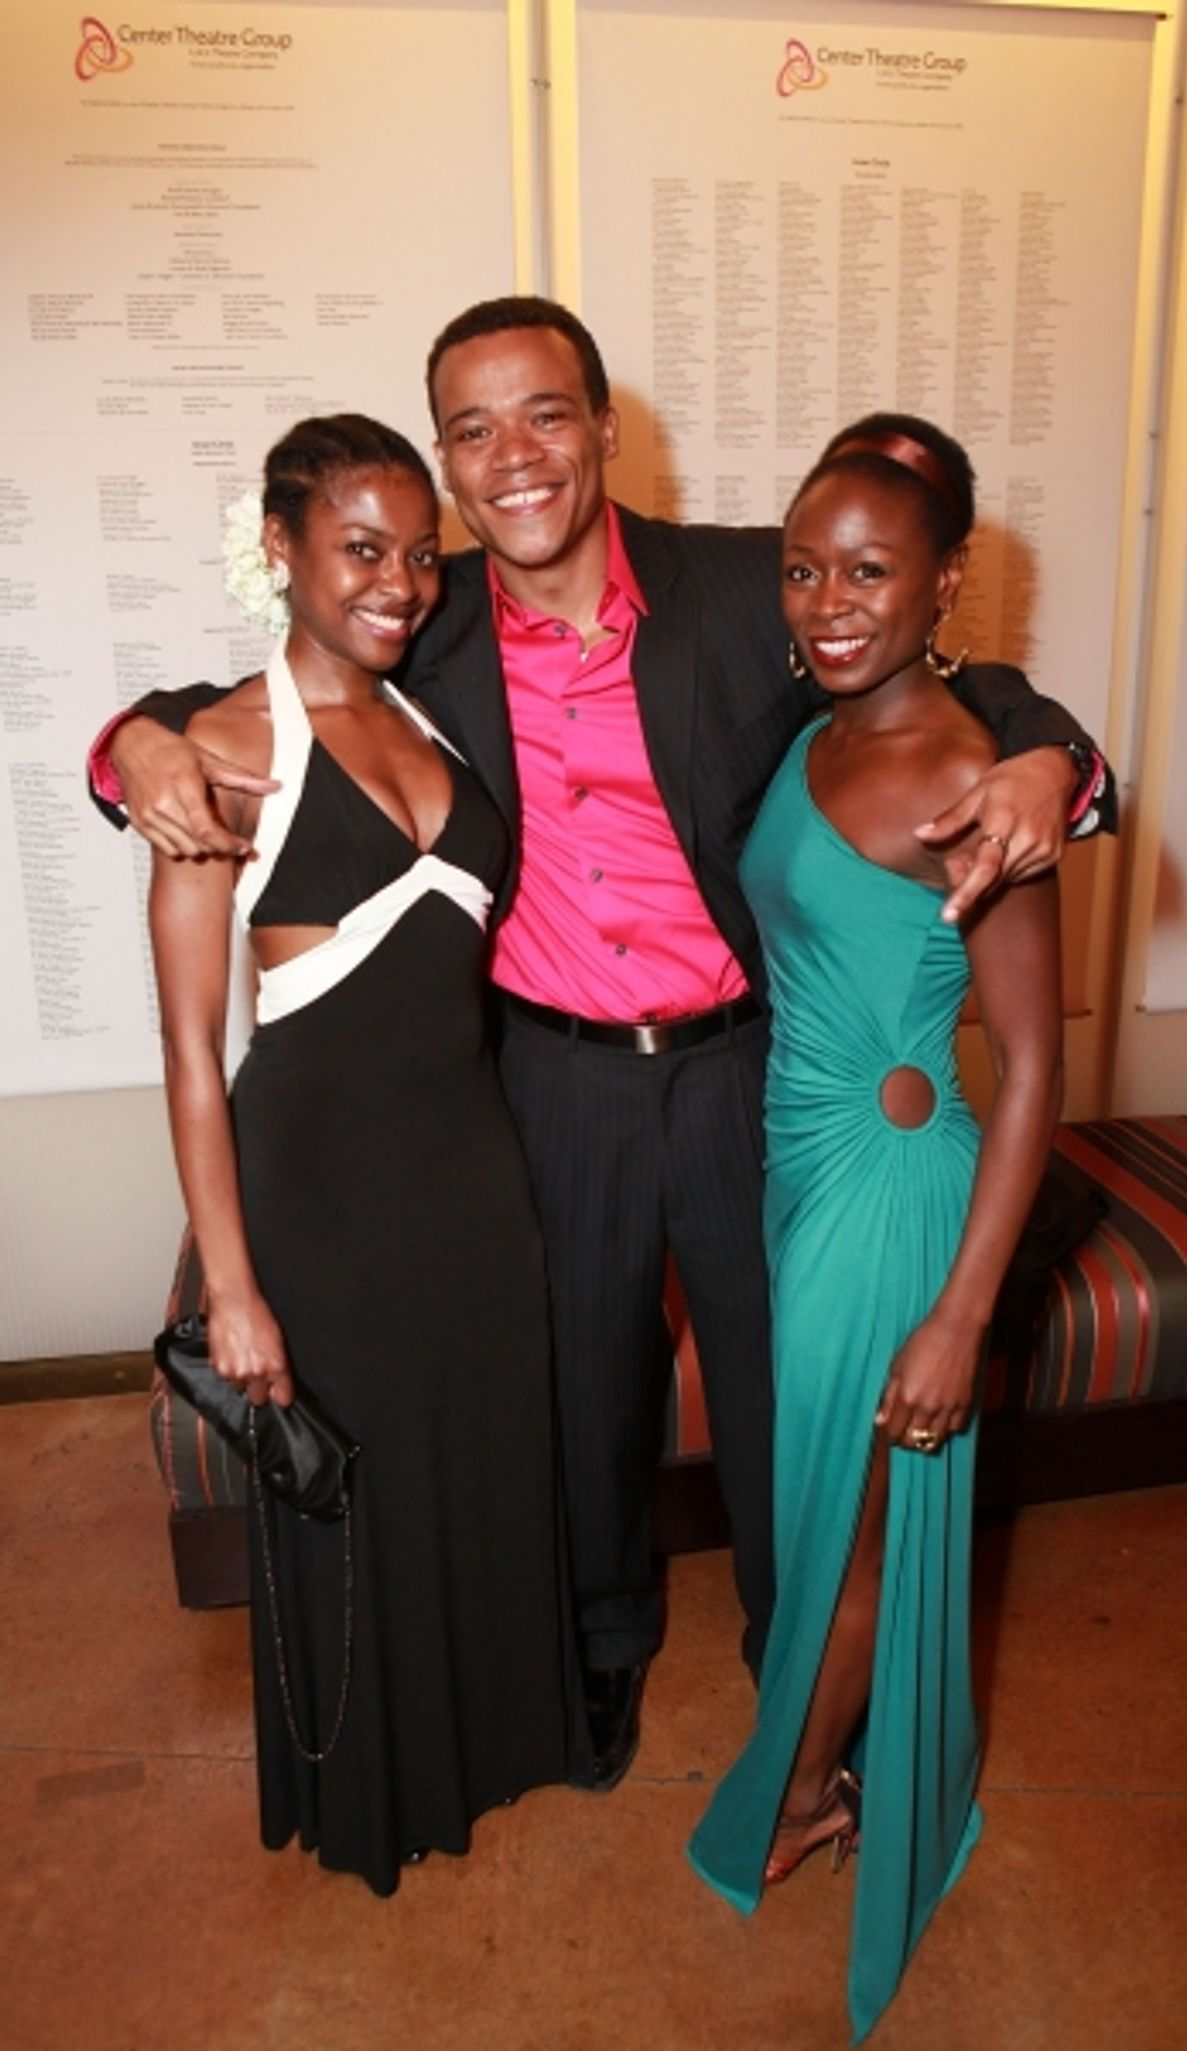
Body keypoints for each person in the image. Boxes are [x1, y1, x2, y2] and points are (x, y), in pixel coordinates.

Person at [91, 299, 1112, 1795]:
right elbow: (245, 693)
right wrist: (140, 738)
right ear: (443, 457)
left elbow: (919, 651)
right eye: (472, 428)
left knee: (777, 1398)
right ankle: (598, 1655)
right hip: (550, 1075)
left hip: (740, 1070)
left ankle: (803, 1676)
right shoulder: (418, 616)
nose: (512, 458)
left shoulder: (735, 582)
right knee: (579, 1400)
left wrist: (1049, 753)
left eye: (546, 414)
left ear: (604, 428)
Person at [147, 414, 581, 1896]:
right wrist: (233, 1286)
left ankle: (487, 1745)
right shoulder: (219, 749)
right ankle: (370, 1790)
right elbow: (194, 1053)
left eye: (418, 553)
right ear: (280, 547)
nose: (399, 581)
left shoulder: (436, 717)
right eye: (359, 549)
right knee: (351, 1499)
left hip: (471, 1173)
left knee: (474, 1470)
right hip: (322, 1195)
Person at [687, 416, 1065, 2040]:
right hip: (798, 1169)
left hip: (894, 1200)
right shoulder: (812, 727)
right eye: (802, 568)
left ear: (945, 584)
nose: (826, 602)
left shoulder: (984, 777)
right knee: (814, 1509)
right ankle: (826, 1768)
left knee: (849, 1536)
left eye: (868, 570)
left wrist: (964, 1314)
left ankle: (799, 1799)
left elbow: (1037, 1062)